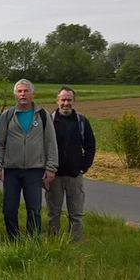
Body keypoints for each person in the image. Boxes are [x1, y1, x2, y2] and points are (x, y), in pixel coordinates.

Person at [0, 79, 58, 240]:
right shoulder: (7, 116)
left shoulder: (43, 115)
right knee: (9, 208)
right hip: (12, 170)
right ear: (15, 95)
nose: (23, 94)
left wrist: (51, 168)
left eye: (26, 91)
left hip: (35, 170)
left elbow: (51, 142)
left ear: (32, 94)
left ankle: (33, 240)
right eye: (19, 91)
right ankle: (13, 239)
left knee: (34, 208)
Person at [46, 87, 95, 241]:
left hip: (75, 175)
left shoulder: (81, 121)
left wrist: (84, 166)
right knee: (53, 213)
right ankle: (54, 242)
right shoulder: (49, 120)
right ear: (57, 101)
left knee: (76, 214)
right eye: (63, 100)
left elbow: (90, 145)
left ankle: (75, 244)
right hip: (54, 176)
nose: (66, 103)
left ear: (74, 101)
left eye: (69, 100)